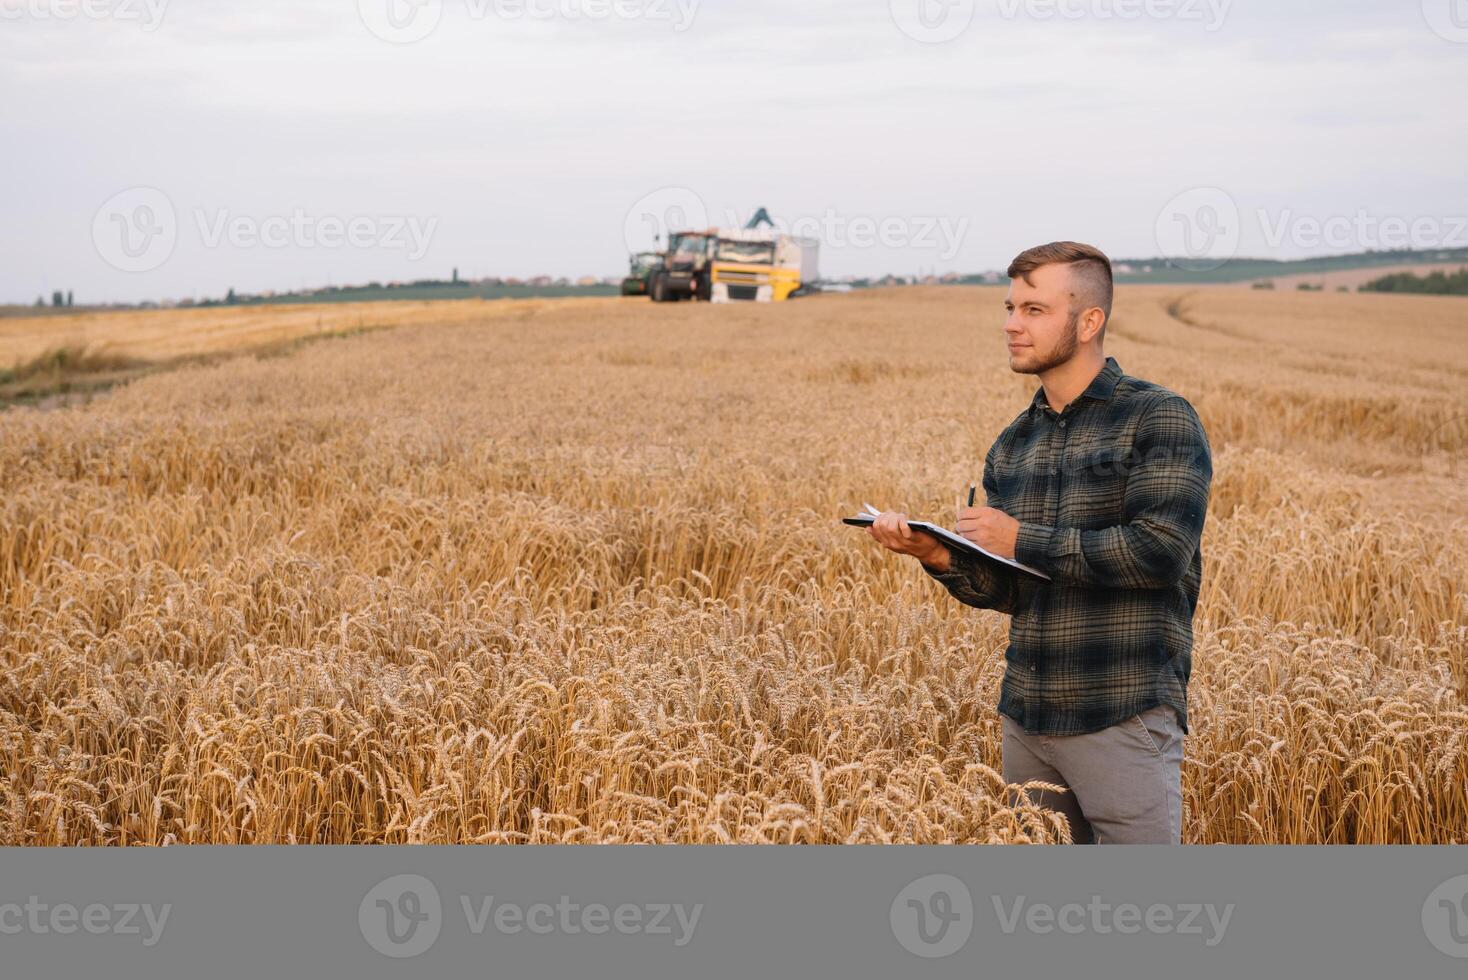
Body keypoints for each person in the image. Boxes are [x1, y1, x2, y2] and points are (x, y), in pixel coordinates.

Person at [866, 241, 1212, 844]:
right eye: (1009, 307)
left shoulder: (1158, 419)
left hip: (1122, 714)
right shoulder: (1013, 444)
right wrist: (938, 554)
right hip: (1027, 719)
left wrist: (1020, 536)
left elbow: (1159, 553)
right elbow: (1012, 588)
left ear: (1088, 322)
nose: (1010, 325)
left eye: (1033, 310)